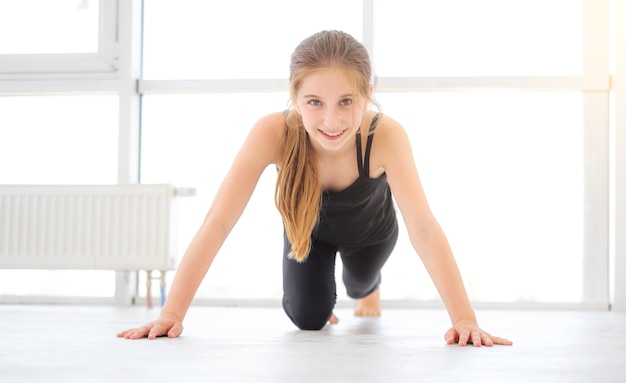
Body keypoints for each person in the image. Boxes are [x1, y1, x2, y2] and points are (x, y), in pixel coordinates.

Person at [117, 30, 512, 347]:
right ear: (295, 97)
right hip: (308, 234)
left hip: (371, 236)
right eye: (314, 102)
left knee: (358, 282)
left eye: (345, 101)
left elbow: (423, 227)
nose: (331, 120)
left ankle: (368, 289)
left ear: (367, 95)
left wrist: (464, 320)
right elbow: (218, 222)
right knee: (309, 319)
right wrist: (172, 314)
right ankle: (325, 294)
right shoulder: (271, 132)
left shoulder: (385, 135)